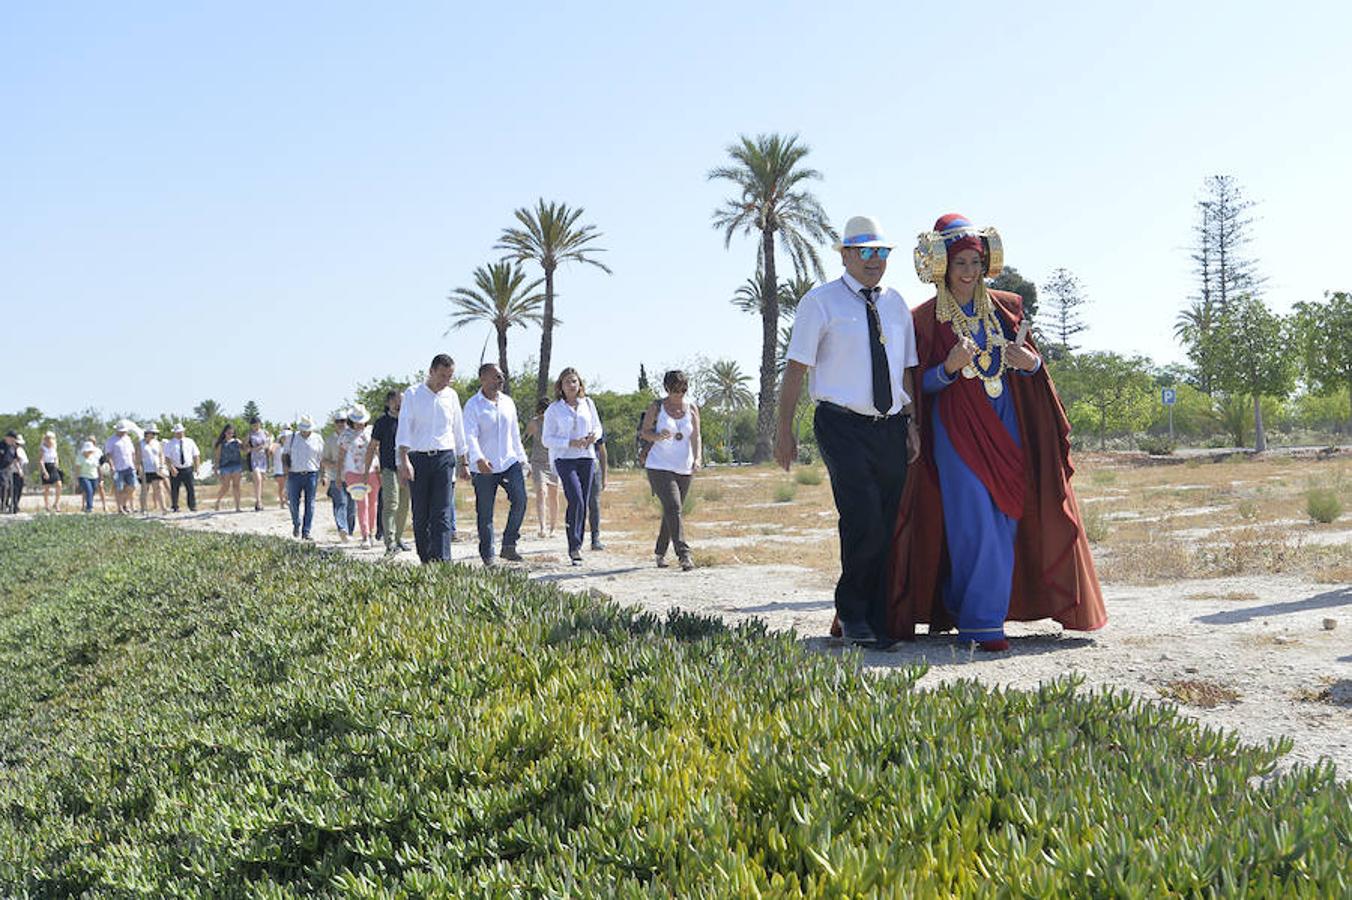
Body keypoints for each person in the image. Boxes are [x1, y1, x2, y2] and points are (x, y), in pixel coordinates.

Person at [888, 213, 1108, 650]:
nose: (968, 272)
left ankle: (959, 603)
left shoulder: (1008, 308)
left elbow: (1031, 366)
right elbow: (917, 385)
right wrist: (947, 369)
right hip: (955, 433)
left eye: (974, 262)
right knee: (972, 522)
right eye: (959, 264)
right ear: (941, 267)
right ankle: (981, 623)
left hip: (1009, 428)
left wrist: (1033, 364)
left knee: (1006, 518)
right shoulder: (924, 319)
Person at [775, 215, 921, 649]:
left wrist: (912, 423)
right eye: (865, 251)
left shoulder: (896, 303)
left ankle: (877, 620)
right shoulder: (820, 302)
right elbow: (796, 367)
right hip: (841, 424)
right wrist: (784, 430)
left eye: (882, 252)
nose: (875, 260)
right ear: (845, 254)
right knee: (861, 519)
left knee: (885, 520)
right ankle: (854, 616)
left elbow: (906, 369)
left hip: (891, 427)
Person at [397, 354, 468, 564]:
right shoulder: (412, 394)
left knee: (442, 511)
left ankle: (443, 560)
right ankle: (426, 559)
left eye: (450, 376)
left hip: (444, 458)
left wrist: (464, 462)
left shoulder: (451, 396)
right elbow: (404, 429)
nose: (445, 381)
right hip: (418, 459)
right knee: (421, 513)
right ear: (431, 371)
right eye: (442, 375)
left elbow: (458, 429)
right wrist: (403, 460)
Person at [463, 363, 529, 565]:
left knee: (520, 499)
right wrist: (478, 458)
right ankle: (488, 554)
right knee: (485, 511)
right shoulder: (473, 405)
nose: (500, 380)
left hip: (509, 461)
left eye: (501, 377)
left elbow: (514, 434)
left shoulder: (508, 402)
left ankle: (509, 545)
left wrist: (523, 459)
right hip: (484, 467)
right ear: (483, 378)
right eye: (496, 376)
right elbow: (470, 435)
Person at [640, 370, 703, 570]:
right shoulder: (657, 407)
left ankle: (660, 552)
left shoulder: (691, 407)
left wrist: (698, 457)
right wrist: (657, 436)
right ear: (667, 389)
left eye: (684, 390)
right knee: (674, 506)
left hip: (684, 466)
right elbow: (645, 432)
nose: (680, 394)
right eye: (676, 390)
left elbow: (696, 436)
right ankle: (684, 554)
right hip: (659, 465)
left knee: (672, 511)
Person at [543, 367, 604, 565]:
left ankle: (579, 543)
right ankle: (574, 546)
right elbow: (546, 439)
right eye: (568, 381)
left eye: (575, 381)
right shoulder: (554, 409)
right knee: (575, 498)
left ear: (580, 385)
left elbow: (597, 426)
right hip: (564, 458)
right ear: (560, 386)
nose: (572, 385)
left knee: (584, 501)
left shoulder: (588, 403)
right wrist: (569, 442)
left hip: (586, 457)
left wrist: (594, 435)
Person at [367, 390, 411, 556]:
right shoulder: (382, 422)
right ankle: (390, 541)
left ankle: (399, 537)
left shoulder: (408, 421)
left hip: (407, 468)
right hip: (389, 468)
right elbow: (372, 446)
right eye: (395, 400)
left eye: (402, 400)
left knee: (404, 505)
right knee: (391, 503)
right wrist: (366, 471)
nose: (399, 403)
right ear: (388, 403)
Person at [340, 405, 381, 548]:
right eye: (357, 420)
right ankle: (365, 535)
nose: (359, 423)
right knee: (362, 504)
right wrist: (339, 476)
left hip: (372, 471)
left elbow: (378, 450)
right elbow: (341, 455)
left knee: (373, 504)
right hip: (354, 473)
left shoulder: (372, 431)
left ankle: (371, 531)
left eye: (361, 420)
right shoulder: (346, 435)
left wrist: (381, 469)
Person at [284, 415, 325, 540]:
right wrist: (286, 474)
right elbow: (285, 456)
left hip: (311, 474)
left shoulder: (317, 438)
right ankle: (296, 523)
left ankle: (306, 531)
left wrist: (324, 475)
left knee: (310, 503)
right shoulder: (291, 438)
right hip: (294, 474)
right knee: (293, 503)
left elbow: (321, 458)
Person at [524, 397, 559, 538]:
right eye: (541, 411)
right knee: (540, 491)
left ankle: (553, 528)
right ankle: (542, 527)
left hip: (553, 461)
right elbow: (524, 438)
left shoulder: (556, 422)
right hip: (537, 461)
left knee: (553, 494)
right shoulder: (535, 422)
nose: (543, 414)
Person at [322, 410, 355, 542]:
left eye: (344, 421)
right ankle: (343, 529)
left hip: (353, 476)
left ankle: (349, 531)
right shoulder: (330, 440)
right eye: (338, 421)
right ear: (334, 424)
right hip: (336, 476)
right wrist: (335, 465)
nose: (341, 424)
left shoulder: (354, 436)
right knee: (341, 502)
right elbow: (324, 460)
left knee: (352, 507)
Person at [104, 420, 140, 515]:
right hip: (118, 467)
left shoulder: (128, 439)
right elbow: (108, 454)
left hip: (129, 466)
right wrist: (112, 466)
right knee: (118, 488)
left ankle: (124, 503)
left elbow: (132, 453)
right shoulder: (111, 440)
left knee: (132, 486)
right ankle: (120, 508)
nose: (123, 432)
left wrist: (135, 463)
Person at [164, 423, 200, 512]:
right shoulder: (170, 443)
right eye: (178, 432)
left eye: (181, 432)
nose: (180, 433)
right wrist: (171, 467)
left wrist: (197, 467)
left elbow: (196, 455)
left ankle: (192, 506)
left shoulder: (190, 441)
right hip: (176, 468)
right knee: (175, 488)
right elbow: (167, 457)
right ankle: (175, 506)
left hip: (187, 467)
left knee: (190, 488)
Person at [212, 423, 244, 512]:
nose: (230, 434)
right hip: (225, 466)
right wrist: (215, 469)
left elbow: (244, 449)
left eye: (232, 433)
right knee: (226, 486)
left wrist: (243, 443)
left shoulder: (237, 442)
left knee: (236, 486)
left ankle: (237, 506)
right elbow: (217, 457)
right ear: (225, 433)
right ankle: (218, 501)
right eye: (228, 432)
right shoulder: (221, 444)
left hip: (236, 465)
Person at [138, 425, 168, 513]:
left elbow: (161, 454)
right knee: (145, 489)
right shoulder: (140, 444)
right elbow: (138, 457)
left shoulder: (157, 443)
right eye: (153, 433)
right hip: (145, 469)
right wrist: (139, 468)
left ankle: (163, 508)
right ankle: (143, 508)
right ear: (147, 433)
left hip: (156, 468)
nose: (154, 435)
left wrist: (162, 465)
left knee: (158, 488)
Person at [244, 417, 272, 512]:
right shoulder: (249, 435)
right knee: (258, 479)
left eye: (257, 424)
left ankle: (259, 500)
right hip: (254, 458)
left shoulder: (265, 433)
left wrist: (265, 447)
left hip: (263, 458)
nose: (255, 426)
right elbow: (245, 448)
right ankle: (258, 501)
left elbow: (268, 444)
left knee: (261, 480)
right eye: (253, 425)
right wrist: (253, 449)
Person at [586, 436, 607, 551]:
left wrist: (604, 476)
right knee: (579, 504)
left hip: (595, 468)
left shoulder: (596, 425)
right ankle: (576, 539)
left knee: (594, 503)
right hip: (577, 466)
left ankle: (595, 539)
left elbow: (603, 451)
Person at [39, 431, 63, 512]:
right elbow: (41, 461)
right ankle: (47, 505)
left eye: (51, 438)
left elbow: (56, 457)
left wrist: (57, 463)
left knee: (59, 484)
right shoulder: (43, 448)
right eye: (48, 438)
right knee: (47, 488)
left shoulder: (54, 447)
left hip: (53, 467)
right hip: (46, 467)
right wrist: (44, 472)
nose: (50, 440)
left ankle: (56, 503)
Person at [76, 440, 100, 512]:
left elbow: (97, 467)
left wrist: (100, 477)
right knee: (89, 491)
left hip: (94, 477)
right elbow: (77, 469)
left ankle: (88, 505)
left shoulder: (94, 457)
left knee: (92, 492)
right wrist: (77, 479)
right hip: (84, 477)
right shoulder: (80, 457)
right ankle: (90, 508)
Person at [270, 427, 291, 509]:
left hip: (288, 469)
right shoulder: (277, 446)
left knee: (288, 486)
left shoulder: (290, 447)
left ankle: (287, 500)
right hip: (279, 469)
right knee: (281, 486)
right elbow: (271, 451)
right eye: (283, 438)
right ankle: (282, 503)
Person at [0, 432, 18, 514]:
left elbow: (15, 459)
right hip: (1, 468)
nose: (13, 440)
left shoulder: (13, 447)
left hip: (8, 469)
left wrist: (19, 469)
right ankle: (4, 504)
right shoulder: (1, 445)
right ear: (7, 437)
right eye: (12, 438)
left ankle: (7, 505)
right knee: (3, 485)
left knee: (10, 487)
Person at [11, 433, 28, 514]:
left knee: (19, 490)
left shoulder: (21, 450)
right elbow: (16, 461)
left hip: (21, 472)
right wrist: (19, 470)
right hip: (16, 472)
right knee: (15, 490)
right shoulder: (14, 450)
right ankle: (14, 506)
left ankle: (16, 505)